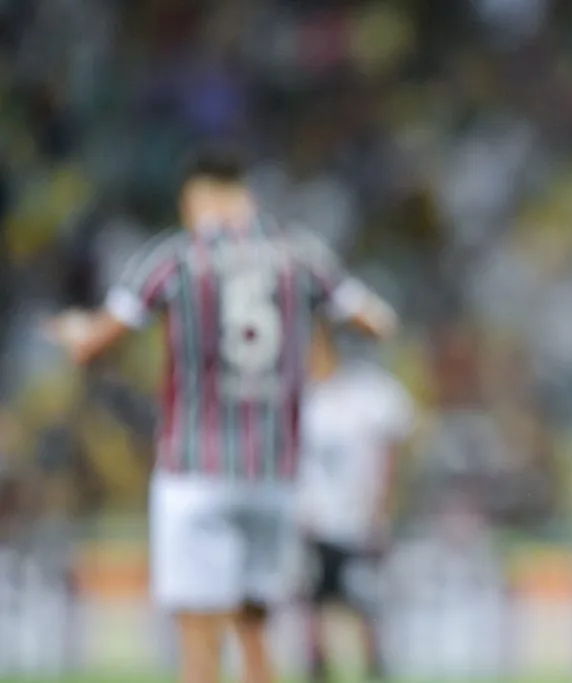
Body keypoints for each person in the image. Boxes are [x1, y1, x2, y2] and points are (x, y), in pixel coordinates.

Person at [45, 148, 397, 683]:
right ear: (247, 196)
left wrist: (74, 332)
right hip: (273, 478)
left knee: (200, 642)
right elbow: (376, 321)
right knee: (256, 635)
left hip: (197, 471)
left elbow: (95, 344)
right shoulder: (301, 255)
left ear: (197, 198)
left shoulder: (176, 257)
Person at [295, 324, 414, 683]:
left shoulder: (373, 393)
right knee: (314, 606)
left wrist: (379, 507)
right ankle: (319, 672)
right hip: (313, 520)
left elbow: (389, 454)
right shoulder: (307, 394)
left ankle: (374, 670)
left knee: (365, 605)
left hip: (357, 520)